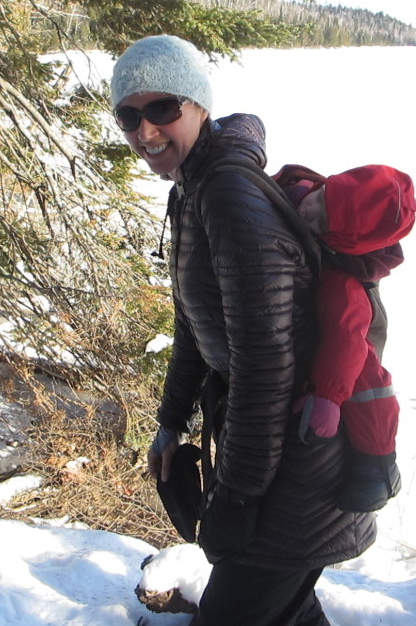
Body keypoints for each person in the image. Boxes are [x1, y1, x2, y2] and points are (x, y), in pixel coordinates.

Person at [111, 35, 375, 626]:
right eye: (129, 115)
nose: (145, 131)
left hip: (297, 468)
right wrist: (170, 421)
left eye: (163, 109)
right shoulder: (194, 187)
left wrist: (236, 496)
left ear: (200, 106)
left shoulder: (228, 195)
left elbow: (267, 368)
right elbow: (193, 328)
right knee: (288, 612)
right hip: (279, 461)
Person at [276, 164, 416, 512]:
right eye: (323, 198)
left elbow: (345, 339)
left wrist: (327, 398)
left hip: (354, 330)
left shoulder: (344, 282)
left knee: (365, 375)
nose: (311, 210)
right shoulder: (296, 187)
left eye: (323, 222)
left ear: (340, 241)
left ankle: (378, 464)